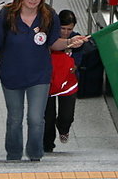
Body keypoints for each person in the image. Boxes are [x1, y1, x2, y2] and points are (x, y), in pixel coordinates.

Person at [0, 0, 87, 161]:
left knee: (36, 119)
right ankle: (13, 156)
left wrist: (70, 42)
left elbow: (54, 43)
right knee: (15, 119)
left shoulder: (48, 15)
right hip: (11, 77)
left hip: (40, 77)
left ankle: (35, 156)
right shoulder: (6, 15)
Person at [43, 9, 87, 153]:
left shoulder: (77, 40)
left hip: (68, 83)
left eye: (69, 29)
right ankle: (47, 145)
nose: (66, 32)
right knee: (47, 118)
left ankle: (63, 128)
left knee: (67, 115)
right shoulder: (49, 37)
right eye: (63, 28)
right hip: (48, 83)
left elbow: (78, 61)